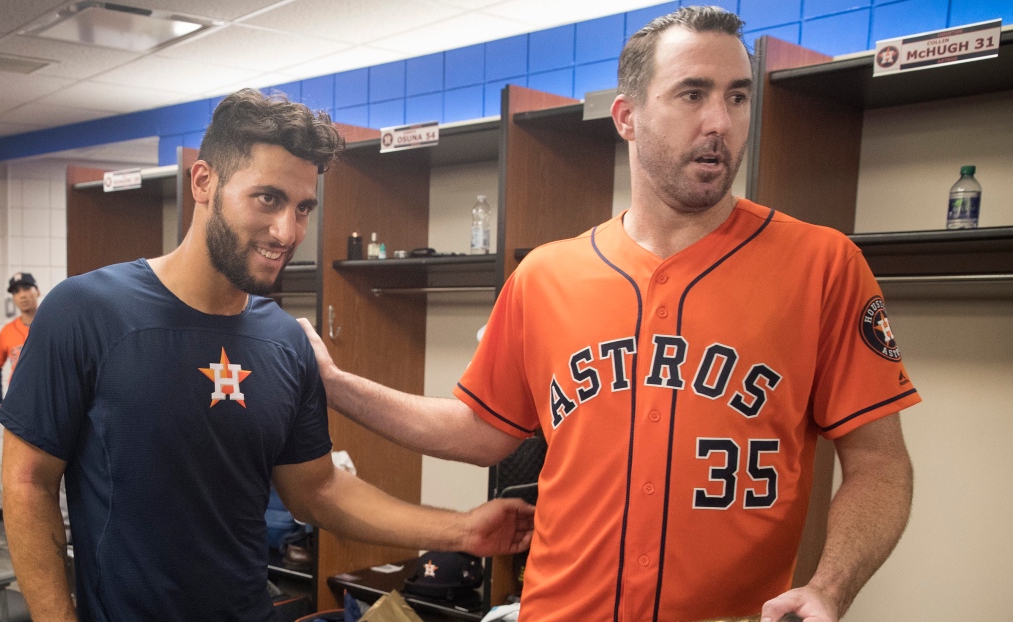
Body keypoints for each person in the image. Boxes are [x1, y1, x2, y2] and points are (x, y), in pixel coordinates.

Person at [297, 7, 918, 622]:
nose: (719, 121)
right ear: (627, 116)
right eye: (692, 94)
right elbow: (478, 432)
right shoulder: (545, 275)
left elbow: (880, 464)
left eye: (737, 97)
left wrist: (830, 586)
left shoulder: (823, 265)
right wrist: (335, 386)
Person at [0, 89, 534, 622]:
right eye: (268, 199)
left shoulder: (285, 341)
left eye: (303, 208)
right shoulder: (86, 311)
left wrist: (462, 528)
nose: (288, 232)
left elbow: (318, 491)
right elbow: (28, 482)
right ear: (204, 182)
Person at [0, 271, 39, 408]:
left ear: (37, 292)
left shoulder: (54, 324)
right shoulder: (7, 331)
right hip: (19, 400)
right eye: (16, 292)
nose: (22, 295)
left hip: (51, 397)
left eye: (27, 289)